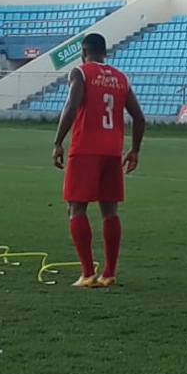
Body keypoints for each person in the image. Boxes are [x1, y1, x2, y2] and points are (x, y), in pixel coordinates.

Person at [52, 33, 145, 287]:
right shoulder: (120, 78)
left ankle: (87, 274)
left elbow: (71, 105)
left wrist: (58, 141)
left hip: (85, 149)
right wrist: (134, 150)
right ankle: (109, 273)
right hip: (112, 150)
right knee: (110, 210)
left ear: (84, 51)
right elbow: (139, 118)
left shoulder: (81, 73)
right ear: (105, 52)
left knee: (76, 207)